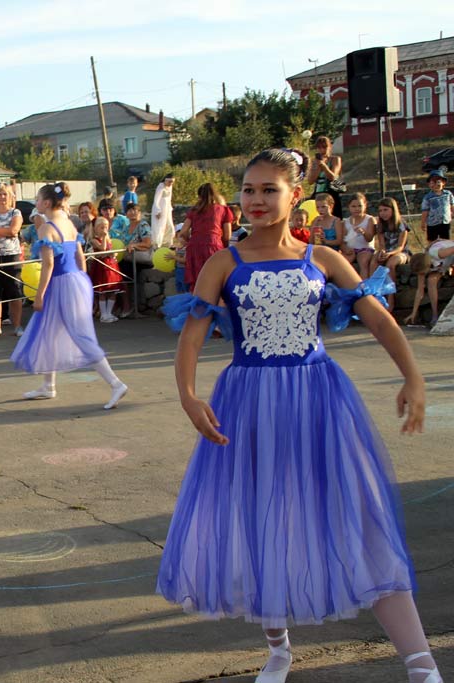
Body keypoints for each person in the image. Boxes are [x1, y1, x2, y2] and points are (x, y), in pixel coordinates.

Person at [159, 148, 441, 683]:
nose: (256, 199)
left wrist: (414, 375)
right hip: (247, 401)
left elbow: (379, 321)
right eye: (248, 189)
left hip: (318, 397)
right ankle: (279, 648)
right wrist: (189, 396)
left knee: (359, 513)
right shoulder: (225, 262)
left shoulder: (323, 259)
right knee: (260, 513)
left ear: (296, 195)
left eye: (269, 189)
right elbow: (192, 337)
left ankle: (420, 661)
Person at [11, 183, 129, 409]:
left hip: (60, 284)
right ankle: (48, 385)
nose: (35, 203)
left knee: (80, 336)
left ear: (46, 203)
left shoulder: (47, 228)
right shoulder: (69, 223)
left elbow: (48, 264)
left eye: (37, 199)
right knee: (50, 332)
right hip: (75, 280)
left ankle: (116, 383)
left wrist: (39, 295)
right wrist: (82, 282)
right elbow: (80, 258)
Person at [178, 182, 233, 292]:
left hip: (194, 246)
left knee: (196, 282)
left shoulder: (194, 210)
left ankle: (195, 306)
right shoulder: (223, 210)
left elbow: (183, 231)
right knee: (215, 281)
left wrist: (190, 240)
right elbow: (228, 235)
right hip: (214, 244)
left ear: (200, 196)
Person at [0, 184, 25, 337]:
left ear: (10, 197)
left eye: (5, 194)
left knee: (14, 291)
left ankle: (17, 325)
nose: (2, 197)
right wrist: (4, 233)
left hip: (12, 256)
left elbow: (13, 230)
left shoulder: (15, 212)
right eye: (0, 194)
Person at [404, 239, 454, 328]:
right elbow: (420, 291)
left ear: (427, 267)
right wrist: (413, 313)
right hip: (442, 267)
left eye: (423, 273)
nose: (422, 275)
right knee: (431, 281)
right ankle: (435, 316)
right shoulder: (422, 263)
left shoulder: (437, 253)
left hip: (449, 257)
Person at [374, 197, 411, 312]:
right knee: (374, 261)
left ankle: (391, 297)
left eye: (385, 210)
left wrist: (390, 253)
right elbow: (381, 245)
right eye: (380, 211)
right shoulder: (381, 225)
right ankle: (374, 293)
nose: (383, 213)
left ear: (393, 210)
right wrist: (383, 251)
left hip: (401, 253)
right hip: (388, 251)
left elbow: (400, 246)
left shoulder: (401, 224)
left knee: (391, 264)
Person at [87, 215, 123, 322]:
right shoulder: (94, 240)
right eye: (101, 227)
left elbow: (108, 251)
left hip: (110, 267)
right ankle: (103, 314)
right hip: (100, 267)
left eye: (106, 227)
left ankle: (109, 312)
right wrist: (104, 239)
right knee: (102, 291)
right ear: (95, 229)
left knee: (112, 291)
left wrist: (113, 254)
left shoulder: (109, 239)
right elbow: (102, 249)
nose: (104, 230)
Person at [121, 202, 153, 316]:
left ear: (139, 212)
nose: (132, 212)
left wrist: (134, 245)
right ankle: (124, 305)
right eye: (130, 210)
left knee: (124, 270)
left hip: (141, 259)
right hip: (129, 258)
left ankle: (129, 306)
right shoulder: (126, 228)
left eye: (135, 210)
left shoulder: (143, 225)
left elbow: (147, 243)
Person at [341, 193, 377, 279]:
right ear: (349, 207)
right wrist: (345, 249)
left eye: (359, 206)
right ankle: (347, 286)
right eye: (353, 206)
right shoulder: (345, 222)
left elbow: (369, 238)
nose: (357, 209)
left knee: (363, 262)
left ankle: (364, 287)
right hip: (351, 249)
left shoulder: (369, 219)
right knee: (342, 263)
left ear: (365, 205)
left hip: (365, 248)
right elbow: (342, 241)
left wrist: (364, 232)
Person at [308, 135, 343, 218]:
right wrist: (318, 166)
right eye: (319, 148)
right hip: (318, 193)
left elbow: (333, 177)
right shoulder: (314, 162)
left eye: (324, 147)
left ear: (330, 147)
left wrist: (324, 166)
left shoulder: (335, 159)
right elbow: (310, 181)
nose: (322, 150)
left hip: (331, 194)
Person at [420, 169, 453, 242]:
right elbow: (425, 211)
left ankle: (445, 252)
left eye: (438, 182)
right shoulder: (428, 197)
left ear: (443, 183)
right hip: (432, 223)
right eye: (432, 183)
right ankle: (431, 252)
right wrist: (423, 223)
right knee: (432, 241)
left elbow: (452, 206)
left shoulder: (448, 194)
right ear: (429, 184)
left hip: (445, 222)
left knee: (445, 240)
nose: (435, 185)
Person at [150, 173, 175, 248]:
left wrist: (170, 210)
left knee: (170, 227)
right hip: (160, 211)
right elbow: (156, 200)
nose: (170, 183)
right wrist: (157, 211)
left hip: (167, 211)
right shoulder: (160, 187)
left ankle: (168, 244)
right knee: (159, 228)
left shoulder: (170, 187)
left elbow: (169, 199)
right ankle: (157, 245)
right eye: (169, 182)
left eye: (172, 182)